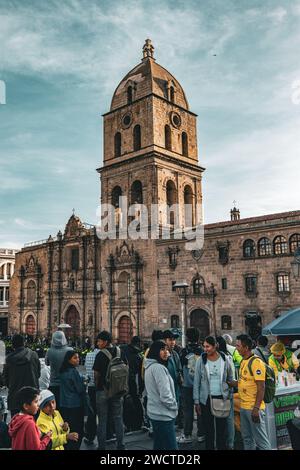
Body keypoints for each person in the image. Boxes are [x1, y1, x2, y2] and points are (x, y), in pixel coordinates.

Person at [193, 336, 232, 450]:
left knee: (221, 430)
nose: (205, 349)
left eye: (208, 346)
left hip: (221, 398)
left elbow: (230, 377)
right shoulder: (201, 360)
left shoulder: (225, 359)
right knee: (208, 430)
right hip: (206, 399)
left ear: (215, 346)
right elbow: (197, 382)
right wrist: (196, 401)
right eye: (204, 346)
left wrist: (228, 393)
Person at [233, 334, 271, 450]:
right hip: (244, 407)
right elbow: (243, 382)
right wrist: (229, 382)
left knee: (262, 442)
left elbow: (261, 387)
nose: (236, 348)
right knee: (247, 439)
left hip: (253, 408)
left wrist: (256, 408)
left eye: (238, 346)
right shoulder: (244, 361)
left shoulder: (256, 362)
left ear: (246, 347)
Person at [93, 331, 125, 451]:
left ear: (105, 342)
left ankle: (101, 447)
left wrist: (98, 387)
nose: (97, 343)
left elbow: (96, 374)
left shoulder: (100, 355)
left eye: (99, 341)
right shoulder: (120, 352)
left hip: (103, 391)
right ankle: (121, 445)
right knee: (118, 418)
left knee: (102, 420)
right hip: (117, 390)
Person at [144, 340, 178, 450]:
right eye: (162, 349)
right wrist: (174, 407)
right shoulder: (159, 368)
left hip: (155, 414)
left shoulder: (150, 367)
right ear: (155, 351)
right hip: (164, 415)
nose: (165, 352)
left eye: (166, 349)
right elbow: (165, 395)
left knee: (159, 446)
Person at [3, 334, 40, 418]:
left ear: (12, 345)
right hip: (32, 397)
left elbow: (5, 379)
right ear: (24, 343)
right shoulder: (33, 355)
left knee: (17, 425)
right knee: (33, 426)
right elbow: (38, 374)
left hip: (15, 397)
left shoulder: (9, 359)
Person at [179, 327, 205, 444]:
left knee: (187, 411)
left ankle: (187, 434)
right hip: (200, 385)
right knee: (200, 410)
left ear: (187, 337)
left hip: (187, 385)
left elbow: (180, 367)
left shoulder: (184, 351)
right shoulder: (202, 351)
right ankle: (201, 434)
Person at [59, 350, 86, 450]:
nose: (78, 359)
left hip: (64, 403)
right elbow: (79, 389)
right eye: (75, 358)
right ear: (69, 360)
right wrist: (84, 383)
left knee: (67, 427)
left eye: (78, 357)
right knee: (77, 428)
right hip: (75, 404)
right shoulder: (73, 372)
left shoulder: (62, 371)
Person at [216, 335, 235, 449]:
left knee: (222, 420)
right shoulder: (229, 355)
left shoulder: (220, 359)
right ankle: (230, 443)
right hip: (229, 390)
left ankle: (224, 444)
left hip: (222, 392)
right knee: (229, 419)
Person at [45, 331, 73, 408]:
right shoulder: (70, 350)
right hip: (67, 385)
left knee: (55, 409)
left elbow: (46, 363)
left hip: (54, 383)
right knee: (66, 410)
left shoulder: (49, 351)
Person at [83, 340, 100, 446]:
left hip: (90, 388)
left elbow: (86, 368)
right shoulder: (102, 355)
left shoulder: (88, 355)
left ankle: (90, 436)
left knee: (91, 413)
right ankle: (107, 435)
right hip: (100, 388)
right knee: (103, 413)